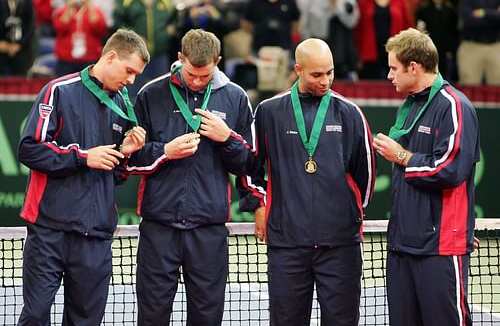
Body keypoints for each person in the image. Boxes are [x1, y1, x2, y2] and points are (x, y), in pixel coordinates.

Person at [16, 28, 150, 325]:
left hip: (95, 235)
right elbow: (29, 149)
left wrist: (123, 153)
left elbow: (114, 175)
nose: (131, 80)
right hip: (49, 230)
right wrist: (83, 156)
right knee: (36, 316)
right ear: (111, 57)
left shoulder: (125, 106)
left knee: (85, 320)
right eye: (129, 71)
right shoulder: (59, 90)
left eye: (136, 75)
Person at [125, 29, 256, 325]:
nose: (197, 81)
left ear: (218, 61)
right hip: (159, 228)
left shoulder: (236, 98)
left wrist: (228, 139)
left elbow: (251, 164)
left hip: (208, 230)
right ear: (180, 58)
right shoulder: (150, 94)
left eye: (205, 75)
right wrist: (165, 151)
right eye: (191, 74)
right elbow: (130, 159)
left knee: (207, 318)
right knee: (152, 316)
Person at [242, 38, 376, 325]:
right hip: (287, 245)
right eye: (317, 74)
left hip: (340, 246)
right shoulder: (268, 111)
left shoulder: (350, 113)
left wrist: (350, 216)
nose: (325, 80)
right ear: (298, 70)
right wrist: (259, 202)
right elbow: (251, 166)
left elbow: (366, 176)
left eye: (330, 72)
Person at [373, 28, 480, 325]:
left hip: (440, 247)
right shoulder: (409, 107)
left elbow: (451, 169)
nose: (389, 75)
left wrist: (402, 156)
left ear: (413, 67)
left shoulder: (454, 107)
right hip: (402, 245)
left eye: (394, 68)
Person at [52, 0, 108, 76]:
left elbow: (100, 29)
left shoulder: (96, 12)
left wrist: (89, 7)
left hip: (90, 58)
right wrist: (68, 7)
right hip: (66, 60)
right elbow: (60, 28)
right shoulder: (62, 11)